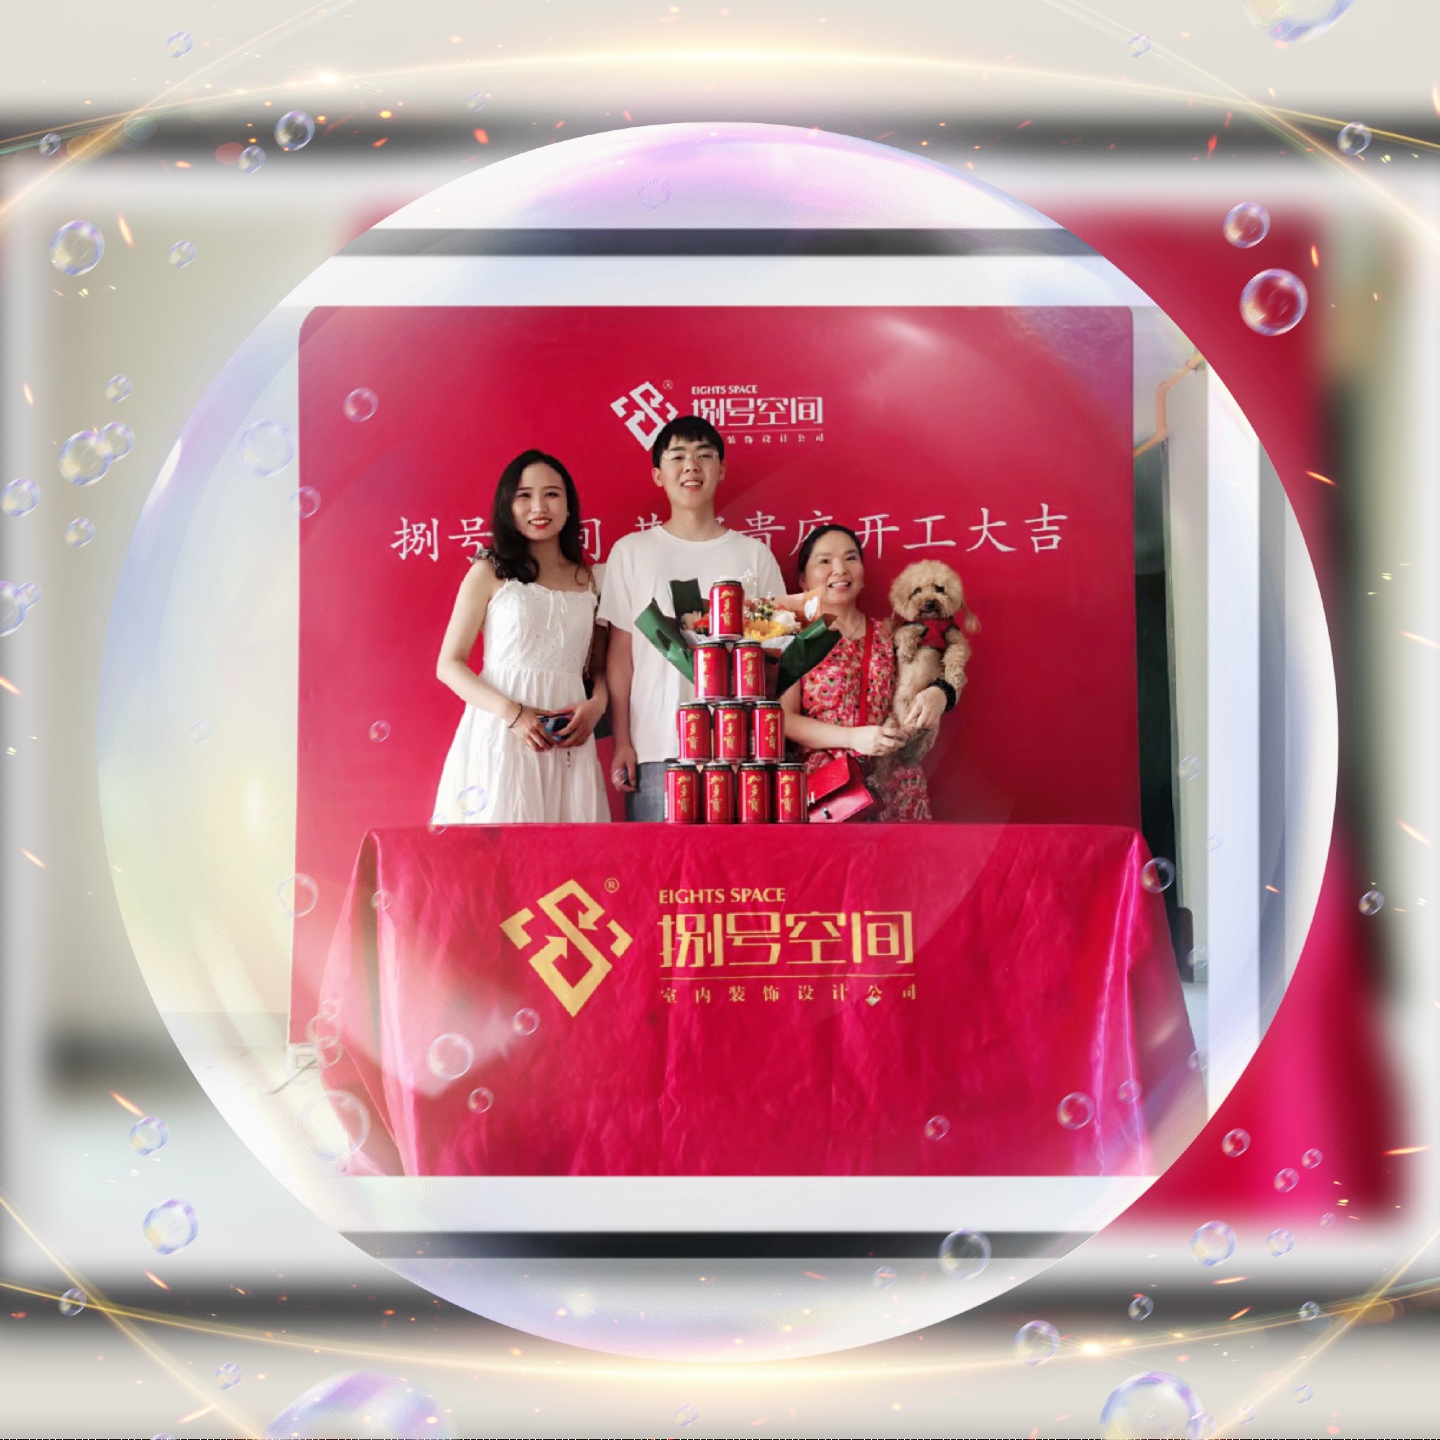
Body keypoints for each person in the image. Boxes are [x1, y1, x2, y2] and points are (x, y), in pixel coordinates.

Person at [599, 416, 785, 820]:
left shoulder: (754, 556)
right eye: (678, 456)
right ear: (658, 474)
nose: (691, 466)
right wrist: (623, 741)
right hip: (656, 748)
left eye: (704, 455)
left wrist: (765, 742)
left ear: (722, 468)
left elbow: (775, 656)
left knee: (735, 863)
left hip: (738, 753)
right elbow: (620, 658)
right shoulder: (631, 552)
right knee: (659, 863)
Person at [432, 450, 610, 824]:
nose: (539, 507)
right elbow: (449, 664)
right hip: (502, 734)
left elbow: (596, 667)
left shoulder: (592, 579)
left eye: (552, 494)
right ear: (507, 506)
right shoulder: (488, 572)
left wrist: (598, 704)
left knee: (569, 852)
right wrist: (513, 715)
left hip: (568, 739)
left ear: (569, 506)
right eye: (524, 495)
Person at [779, 524, 951, 821]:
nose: (840, 569)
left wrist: (940, 694)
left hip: (897, 787)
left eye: (850, 558)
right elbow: (784, 720)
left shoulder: (894, 632)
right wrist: (852, 738)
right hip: (830, 792)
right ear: (803, 580)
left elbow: (937, 673)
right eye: (824, 561)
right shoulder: (794, 639)